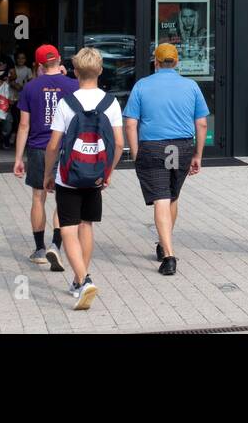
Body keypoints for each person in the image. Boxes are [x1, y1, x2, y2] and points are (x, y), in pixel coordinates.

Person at [43, 47, 123, 311]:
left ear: (75, 72)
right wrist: (107, 173)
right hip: (96, 175)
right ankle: (78, 281)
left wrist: (48, 174)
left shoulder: (67, 103)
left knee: (68, 229)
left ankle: (85, 280)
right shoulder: (111, 102)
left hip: (69, 176)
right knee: (86, 226)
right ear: (100, 70)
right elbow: (120, 144)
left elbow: (54, 146)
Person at [123, 42, 209, 276]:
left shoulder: (142, 85)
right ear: (177, 62)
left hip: (153, 147)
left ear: (156, 62)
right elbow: (201, 123)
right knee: (172, 197)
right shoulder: (191, 86)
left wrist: (136, 151)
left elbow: (131, 123)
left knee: (161, 199)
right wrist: (198, 154)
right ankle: (164, 244)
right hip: (181, 147)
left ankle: (169, 256)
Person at [13, 44, 75, 271]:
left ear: (38, 65)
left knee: (38, 197)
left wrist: (19, 158)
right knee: (63, 197)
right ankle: (55, 246)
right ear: (59, 59)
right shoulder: (73, 85)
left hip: (39, 148)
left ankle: (39, 249)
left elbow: (23, 125)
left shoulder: (30, 87)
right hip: (66, 148)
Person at [5, 48, 33, 148]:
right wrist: (13, 84)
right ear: (16, 59)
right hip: (11, 96)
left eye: (23, 58)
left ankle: (15, 136)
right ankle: (9, 136)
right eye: (19, 58)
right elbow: (8, 81)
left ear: (25, 59)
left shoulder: (28, 70)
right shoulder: (13, 69)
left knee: (19, 118)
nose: (21, 60)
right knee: (11, 118)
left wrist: (23, 87)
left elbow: (31, 83)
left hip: (22, 97)